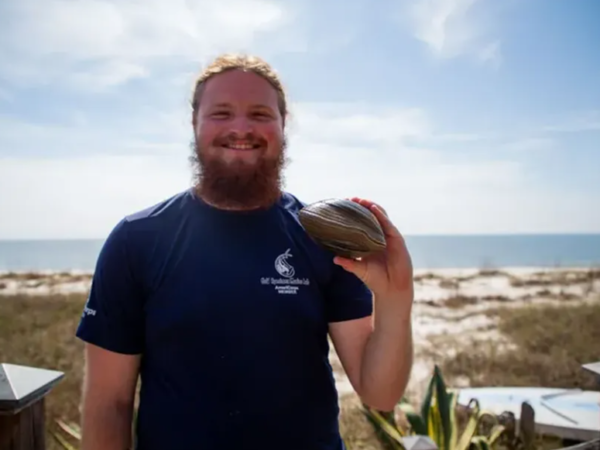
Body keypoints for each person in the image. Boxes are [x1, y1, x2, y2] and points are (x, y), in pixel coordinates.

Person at [75, 53, 414, 450]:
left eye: (259, 113)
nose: (240, 128)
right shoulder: (137, 240)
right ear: (194, 124)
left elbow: (380, 395)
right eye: (221, 113)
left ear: (282, 125)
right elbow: (108, 404)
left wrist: (395, 297)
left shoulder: (322, 236)